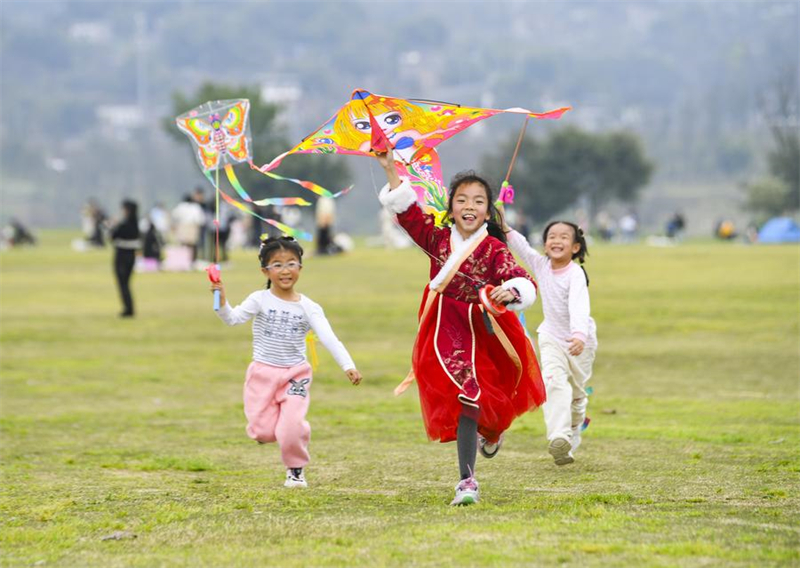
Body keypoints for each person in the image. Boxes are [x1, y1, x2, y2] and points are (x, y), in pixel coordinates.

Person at [376, 151, 545, 506]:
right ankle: (467, 481)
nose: (470, 206)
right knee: (468, 393)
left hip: (486, 330)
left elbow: (522, 279)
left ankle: (494, 432)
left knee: (492, 399)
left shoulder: (495, 249)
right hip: (444, 327)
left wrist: (511, 291)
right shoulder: (436, 239)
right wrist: (390, 168)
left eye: (479, 201)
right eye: (462, 199)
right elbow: (407, 214)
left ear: (488, 210)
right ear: (451, 206)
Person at [210, 236, 363, 488]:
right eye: (277, 265)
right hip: (262, 373)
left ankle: (295, 469)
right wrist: (221, 301)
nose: (285, 270)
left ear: (301, 268)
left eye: (292, 263)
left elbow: (329, 337)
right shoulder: (259, 299)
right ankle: (282, 432)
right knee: (263, 431)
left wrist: (348, 365)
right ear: (265, 271)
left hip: (295, 374)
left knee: (290, 426)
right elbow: (232, 319)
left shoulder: (309, 307)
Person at [499, 208, 597, 466]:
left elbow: (579, 306)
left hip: (580, 341)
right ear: (545, 244)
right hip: (552, 336)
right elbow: (521, 246)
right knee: (553, 383)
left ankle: (574, 427)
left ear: (575, 247)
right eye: (551, 236)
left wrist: (579, 335)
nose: (556, 241)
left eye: (564, 237)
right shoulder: (541, 265)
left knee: (576, 395)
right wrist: (503, 222)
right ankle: (558, 437)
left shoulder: (575, 273)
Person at [110, 200, 140, 317]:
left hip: (122, 255)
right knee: (126, 283)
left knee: (123, 284)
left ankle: (128, 309)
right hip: (131, 256)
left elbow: (113, 236)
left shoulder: (124, 224)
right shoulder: (136, 224)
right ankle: (129, 307)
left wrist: (114, 225)